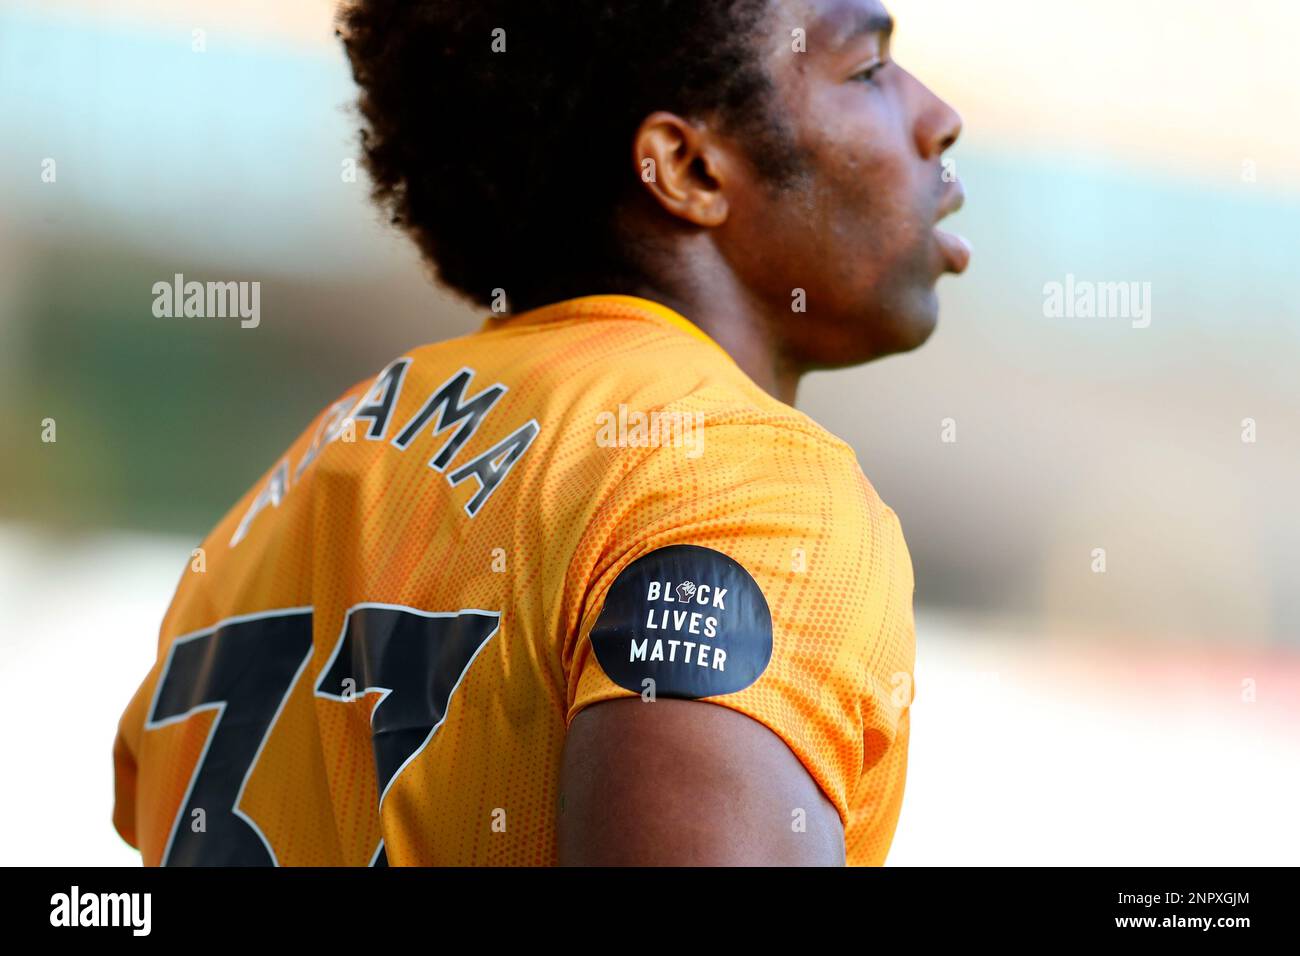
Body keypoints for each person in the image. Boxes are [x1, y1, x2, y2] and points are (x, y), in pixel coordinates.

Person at [112, 0, 969, 866]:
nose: (939, 118)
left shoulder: (292, 489)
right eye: (866, 71)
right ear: (688, 169)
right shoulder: (736, 476)